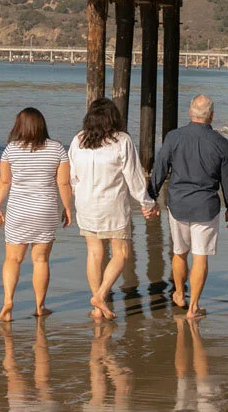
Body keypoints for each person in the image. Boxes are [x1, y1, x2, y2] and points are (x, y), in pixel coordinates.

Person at [148, 94, 228, 319]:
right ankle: (193, 307)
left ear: (190, 113)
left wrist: (150, 197)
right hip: (205, 207)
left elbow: (160, 168)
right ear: (212, 115)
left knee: (179, 253)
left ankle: (179, 293)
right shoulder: (221, 143)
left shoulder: (174, 137)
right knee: (200, 257)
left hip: (178, 204)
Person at [69, 98, 157, 321]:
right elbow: (134, 178)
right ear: (113, 118)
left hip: (86, 205)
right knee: (121, 253)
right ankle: (100, 296)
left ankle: (98, 308)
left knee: (94, 253)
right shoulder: (122, 141)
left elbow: (72, 177)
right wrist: (147, 203)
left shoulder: (78, 140)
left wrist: (77, 197)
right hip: (112, 206)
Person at [0, 108, 73, 322]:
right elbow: (63, 182)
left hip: (18, 210)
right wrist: (68, 208)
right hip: (45, 210)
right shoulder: (57, 149)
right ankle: (40, 306)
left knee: (13, 259)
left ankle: (8, 300)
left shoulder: (11, 149)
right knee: (40, 260)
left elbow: (4, 182)